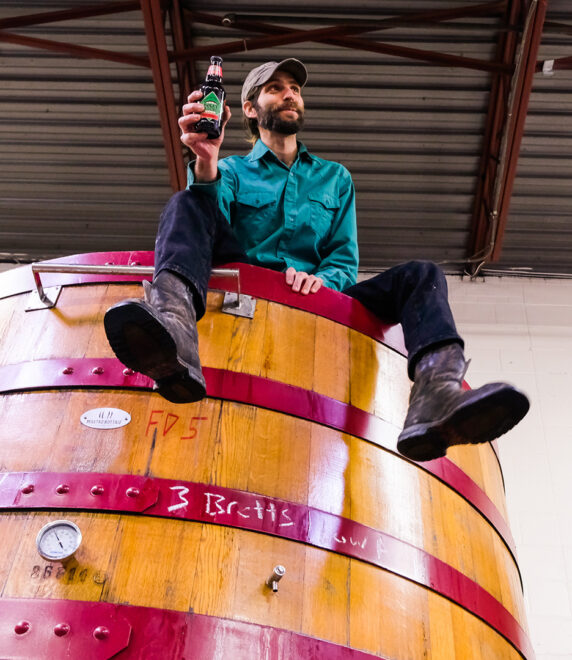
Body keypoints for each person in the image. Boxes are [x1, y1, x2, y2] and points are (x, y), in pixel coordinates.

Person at [104, 58, 529, 462]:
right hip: (246, 279)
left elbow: (344, 257)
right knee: (186, 201)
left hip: (319, 295)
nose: (290, 95)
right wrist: (206, 160)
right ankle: (175, 328)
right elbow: (206, 222)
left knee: (421, 275)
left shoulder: (335, 178)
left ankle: (437, 393)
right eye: (275, 89)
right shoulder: (232, 170)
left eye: (295, 89)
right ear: (250, 109)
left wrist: (323, 281)